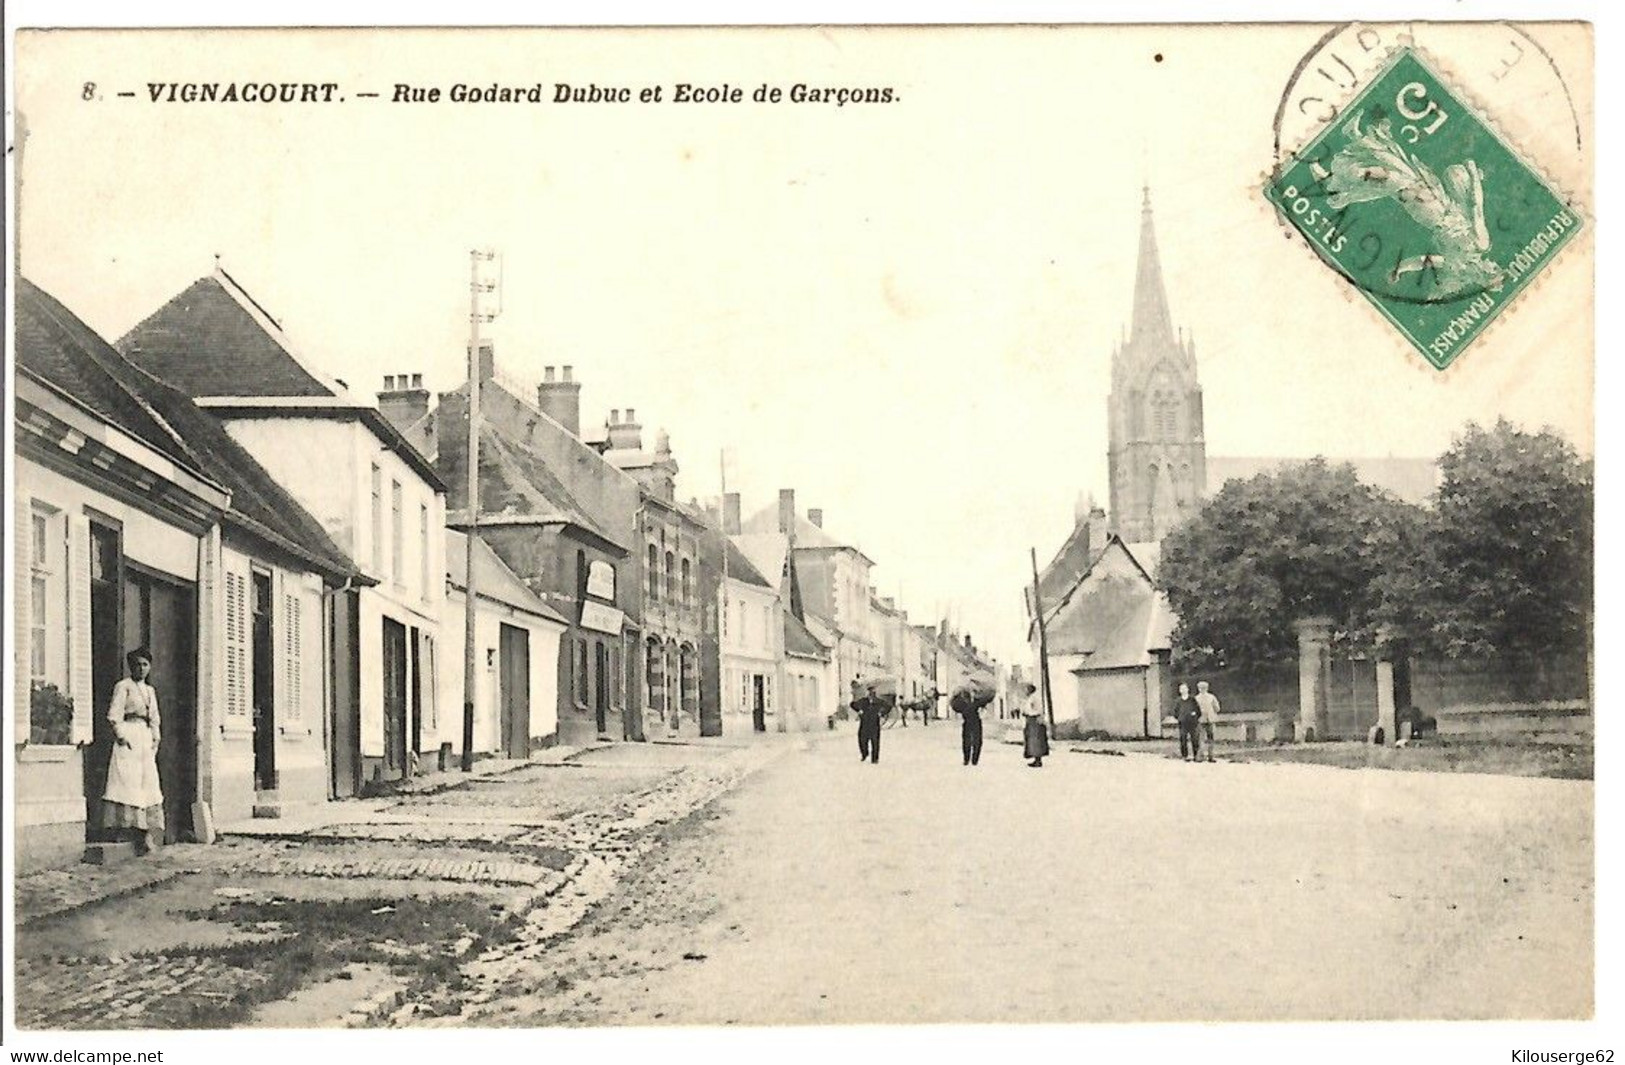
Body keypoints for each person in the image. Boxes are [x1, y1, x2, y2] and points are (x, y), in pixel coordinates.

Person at [102, 648, 165, 853]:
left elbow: (154, 717)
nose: (141, 668)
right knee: (126, 779)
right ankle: (124, 828)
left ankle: (144, 831)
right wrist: (121, 736)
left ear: (150, 667)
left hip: (144, 738)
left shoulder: (149, 691)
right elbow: (114, 714)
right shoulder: (124, 687)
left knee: (146, 781)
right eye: (137, 664)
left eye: (145, 664)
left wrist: (155, 737)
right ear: (131, 666)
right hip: (129, 736)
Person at [852, 681, 887, 764]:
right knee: (862, 740)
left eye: (873, 692)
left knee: (875, 742)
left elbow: (888, 707)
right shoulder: (863, 701)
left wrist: (881, 713)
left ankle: (875, 759)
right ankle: (865, 753)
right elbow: (853, 704)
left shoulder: (879, 701)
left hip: (875, 724)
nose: (871, 694)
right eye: (870, 692)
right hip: (864, 723)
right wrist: (859, 710)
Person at [1022, 685, 1050, 768]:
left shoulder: (1034, 698)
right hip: (1030, 720)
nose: (1025, 691)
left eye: (1026, 689)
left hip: (1034, 720)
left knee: (1036, 740)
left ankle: (1038, 760)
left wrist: (1030, 714)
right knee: (1031, 740)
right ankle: (1035, 758)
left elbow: (1037, 710)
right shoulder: (1029, 698)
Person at [955, 688, 985, 766]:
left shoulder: (978, 700)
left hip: (975, 721)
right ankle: (967, 759)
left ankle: (974, 760)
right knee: (966, 741)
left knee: (977, 741)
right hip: (968, 721)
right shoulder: (964, 700)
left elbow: (983, 707)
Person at [1175, 681, 1203, 761]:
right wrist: (1180, 717)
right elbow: (1175, 712)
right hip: (1183, 723)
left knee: (1195, 739)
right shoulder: (1178, 701)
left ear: (1188, 689)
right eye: (1181, 689)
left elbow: (1198, 710)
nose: (1183, 690)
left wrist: (1194, 716)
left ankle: (1196, 756)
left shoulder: (1192, 699)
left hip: (1192, 723)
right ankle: (1185, 755)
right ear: (1180, 691)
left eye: (1185, 688)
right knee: (1183, 739)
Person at [1195, 680, 1221, 763]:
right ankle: (1211, 756)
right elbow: (1217, 708)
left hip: (1201, 720)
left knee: (1201, 739)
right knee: (1211, 739)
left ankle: (1201, 756)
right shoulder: (1211, 697)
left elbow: (1194, 709)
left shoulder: (1196, 698)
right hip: (1210, 719)